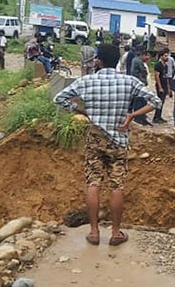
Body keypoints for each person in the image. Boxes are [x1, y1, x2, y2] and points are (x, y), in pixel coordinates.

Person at [53, 44, 161, 247]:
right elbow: (155, 101)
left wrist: (82, 111)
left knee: (93, 183)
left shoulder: (86, 81)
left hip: (95, 139)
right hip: (118, 139)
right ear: (117, 60)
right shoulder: (128, 81)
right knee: (117, 185)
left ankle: (94, 232)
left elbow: (59, 99)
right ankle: (116, 233)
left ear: (99, 60)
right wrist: (132, 115)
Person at [129, 50, 152, 126]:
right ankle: (139, 118)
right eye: (147, 56)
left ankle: (142, 117)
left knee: (142, 101)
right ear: (143, 55)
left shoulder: (138, 60)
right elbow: (143, 72)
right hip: (140, 84)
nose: (148, 58)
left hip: (140, 84)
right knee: (139, 101)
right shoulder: (138, 61)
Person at [152, 49, 172, 124]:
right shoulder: (158, 65)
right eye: (165, 56)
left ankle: (159, 116)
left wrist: (169, 88)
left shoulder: (165, 66)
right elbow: (156, 76)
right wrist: (160, 87)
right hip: (160, 85)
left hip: (164, 85)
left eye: (167, 56)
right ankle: (156, 117)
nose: (167, 57)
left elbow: (166, 77)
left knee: (162, 102)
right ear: (161, 56)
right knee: (159, 101)